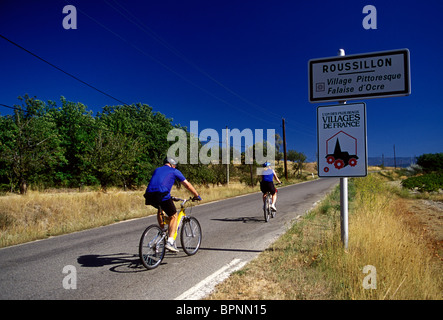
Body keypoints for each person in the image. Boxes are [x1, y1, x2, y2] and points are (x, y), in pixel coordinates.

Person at [144, 157, 201, 252]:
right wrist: (197, 195)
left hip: (149, 195)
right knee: (174, 216)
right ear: (172, 165)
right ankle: (170, 241)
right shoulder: (174, 171)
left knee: (161, 209)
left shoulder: (157, 169)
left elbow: (159, 183)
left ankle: (161, 232)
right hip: (162, 194)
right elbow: (187, 185)